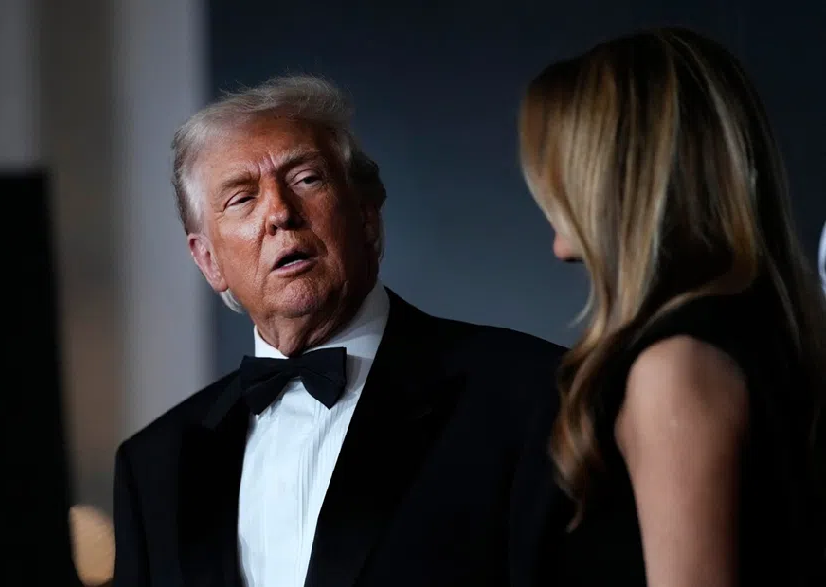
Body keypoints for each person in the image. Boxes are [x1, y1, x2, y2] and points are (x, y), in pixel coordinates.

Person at [112, 75, 564, 587]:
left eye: (306, 179)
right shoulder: (154, 466)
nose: (280, 212)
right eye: (241, 198)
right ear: (209, 259)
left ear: (368, 218)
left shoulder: (527, 392)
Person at [516, 27, 826, 587]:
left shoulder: (675, 367)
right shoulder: (774, 335)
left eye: (557, 174)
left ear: (608, 182)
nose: (546, 200)